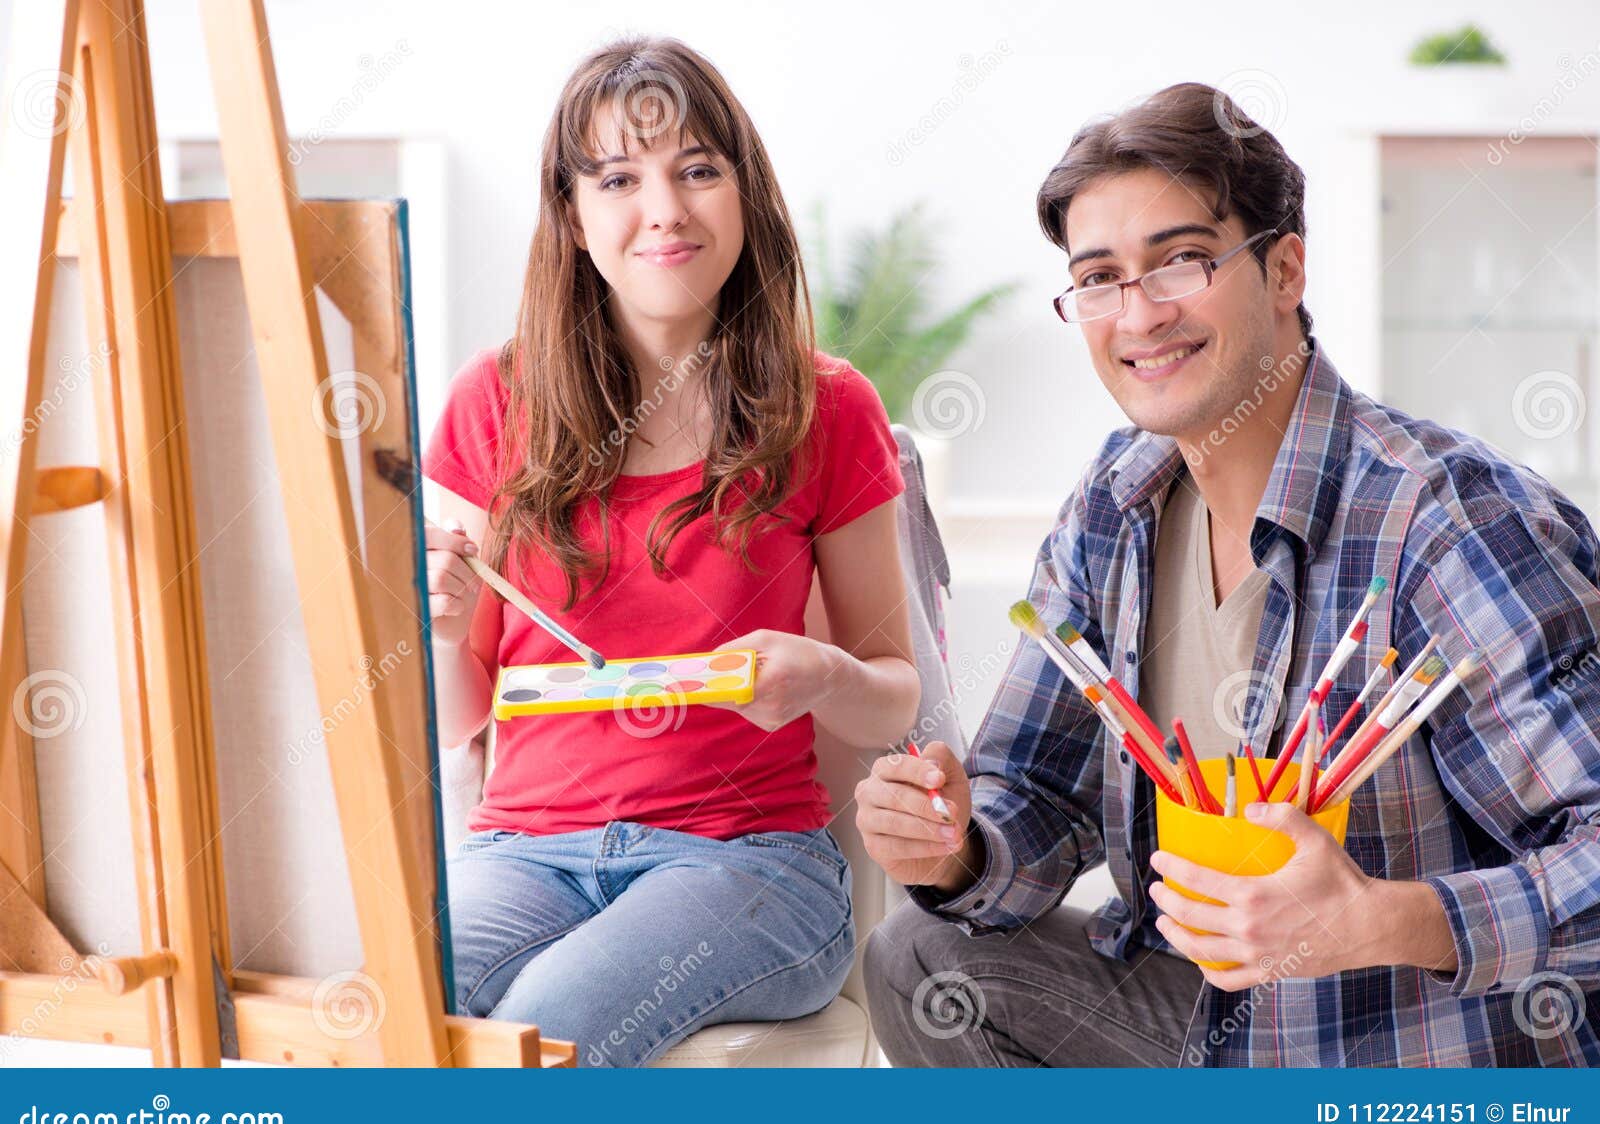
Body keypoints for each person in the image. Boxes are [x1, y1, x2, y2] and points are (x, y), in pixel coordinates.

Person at [859, 82, 1600, 1066]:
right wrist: (953, 844)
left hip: (1411, 1066)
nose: (1139, 314)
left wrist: (1380, 919)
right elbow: (1028, 794)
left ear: (1284, 267)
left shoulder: (1448, 524)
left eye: (1180, 262)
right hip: (1218, 1036)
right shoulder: (1114, 507)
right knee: (924, 956)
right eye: (1100, 279)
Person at [422, 36, 919, 1066]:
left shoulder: (827, 407)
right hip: (520, 851)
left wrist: (823, 672)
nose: (665, 209)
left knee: (541, 1036)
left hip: (748, 866)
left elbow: (893, 694)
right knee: (389, 1005)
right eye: (618, 178)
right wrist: (433, 624)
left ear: (744, 194)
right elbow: (462, 714)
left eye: (698, 170)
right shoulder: (493, 400)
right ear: (571, 214)